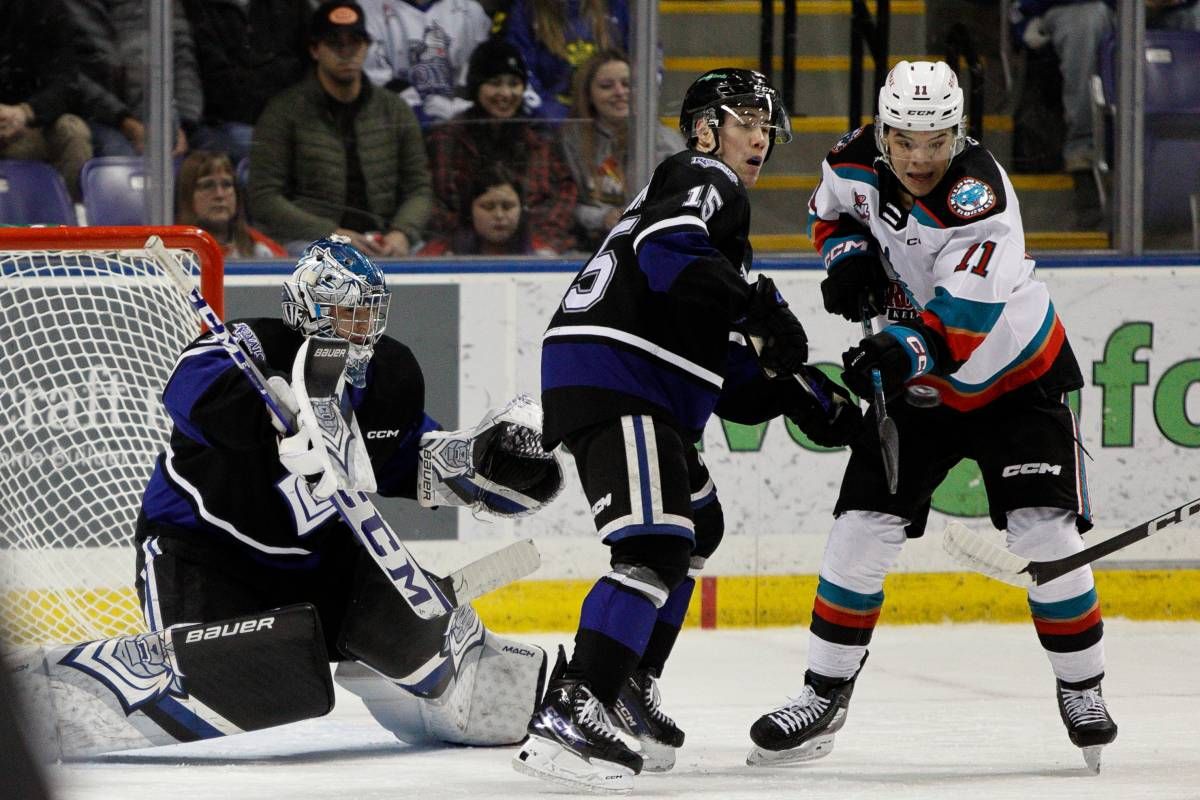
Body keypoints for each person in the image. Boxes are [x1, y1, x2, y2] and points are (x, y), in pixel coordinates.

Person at [746, 60, 1118, 773]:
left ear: (960, 133)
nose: (920, 158)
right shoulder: (853, 158)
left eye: (937, 141)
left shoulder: (981, 200)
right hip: (923, 389)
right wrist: (846, 257)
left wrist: (896, 351)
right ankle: (823, 694)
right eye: (906, 140)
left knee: (1044, 532)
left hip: (1014, 377)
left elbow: (962, 324)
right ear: (883, 129)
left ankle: (1083, 689)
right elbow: (828, 212)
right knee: (860, 528)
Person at [513, 68, 863, 793]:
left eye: (766, 126)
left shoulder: (714, 238)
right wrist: (760, 307)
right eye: (746, 121)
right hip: (620, 377)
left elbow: (724, 370)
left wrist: (796, 394)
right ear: (706, 129)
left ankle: (628, 681)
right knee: (654, 544)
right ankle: (577, 702)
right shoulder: (704, 177)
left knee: (698, 526)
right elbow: (668, 251)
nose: (760, 138)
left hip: (631, 379)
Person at [125, 234, 554, 753]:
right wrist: (265, 417)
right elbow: (187, 388)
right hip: (205, 553)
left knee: (427, 648)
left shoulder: (389, 374)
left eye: (371, 311)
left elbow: (404, 457)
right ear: (308, 309)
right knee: (209, 681)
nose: (364, 326)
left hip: (325, 564)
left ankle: (445, 682)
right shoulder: (252, 346)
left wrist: (475, 466)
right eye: (349, 312)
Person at [250, 1, 432, 257]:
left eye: (354, 42)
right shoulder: (283, 112)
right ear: (315, 50)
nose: (346, 52)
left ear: (366, 47)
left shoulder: (395, 109)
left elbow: (420, 189)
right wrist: (331, 234)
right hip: (311, 241)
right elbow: (264, 197)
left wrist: (402, 233)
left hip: (382, 240)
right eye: (335, 43)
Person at [425, 38, 577, 253]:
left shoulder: (539, 139)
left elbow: (564, 193)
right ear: (476, 87)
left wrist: (538, 243)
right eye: (495, 83)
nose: (505, 93)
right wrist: (461, 241)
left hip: (533, 249)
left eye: (514, 84)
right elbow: (434, 200)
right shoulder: (447, 138)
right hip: (460, 251)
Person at [563, 49, 682, 251]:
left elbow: (683, 204)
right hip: (588, 247)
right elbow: (563, 206)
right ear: (588, 94)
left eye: (627, 84)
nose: (619, 92)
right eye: (606, 86)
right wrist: (602, 218)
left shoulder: (667, 142)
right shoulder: (571, 140)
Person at [69, 0, 203, 158]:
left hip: (161, 112)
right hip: (100, 116)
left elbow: (183, 59)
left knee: (204, 156)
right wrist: (125, 121)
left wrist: (184, 122)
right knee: (120, 156)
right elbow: (71, 73)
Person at [183, 0, 312, 163]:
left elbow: (312, 67)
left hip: (289, 119)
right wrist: (278, 72)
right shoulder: (198, 9)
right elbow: (220, 88)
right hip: (222, 126)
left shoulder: (293, 6)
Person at [0, 0, 94, 201]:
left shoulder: (45, 8)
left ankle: (68, 214)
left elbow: (66, 83)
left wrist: (26, 112)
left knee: (73, 131)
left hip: (29, 125)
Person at [359, 0, 492, 128]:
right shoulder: (366, 8)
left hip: (461, 124)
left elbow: (479, 73)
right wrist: (417, 111)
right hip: (394, 121)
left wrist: (458, 110)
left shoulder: (470, 10)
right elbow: (374, 77)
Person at [501, 0, 628, 120]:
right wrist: (553, 117)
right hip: (549, 125)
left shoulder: (615, 6)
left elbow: (634, 66)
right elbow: (520, 72)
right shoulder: (527, 9)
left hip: (611, 122)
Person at [418, 163, 556, 255]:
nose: (499, 215)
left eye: (507, 206)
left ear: (522, 210)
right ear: (469, 211)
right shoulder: (440, 256)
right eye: (488, 207)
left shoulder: (542, 256)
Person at [176, 150, 286, 258]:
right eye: (207, 185)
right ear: (187, 196)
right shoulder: (171, 251)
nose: (219, 195)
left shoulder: (259, 247)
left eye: (227, 184)